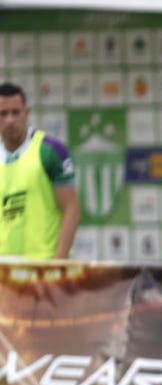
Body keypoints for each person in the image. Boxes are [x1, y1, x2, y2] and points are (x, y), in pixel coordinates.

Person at [0, 83, 79, 260]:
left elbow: (71, 209)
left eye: (15, 112)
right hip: (5, 273)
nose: (10, 120)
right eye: (3, 114)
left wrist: (58, 264)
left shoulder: (49, 151)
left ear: (26, 114)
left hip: (43, 270)